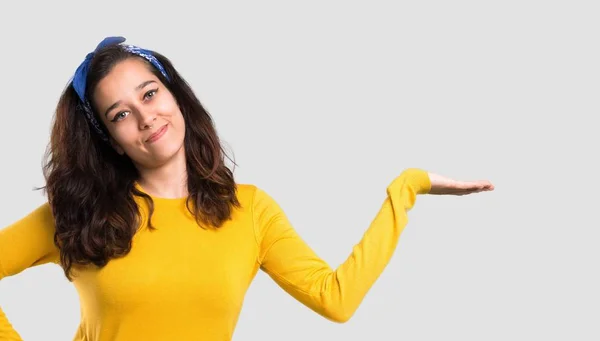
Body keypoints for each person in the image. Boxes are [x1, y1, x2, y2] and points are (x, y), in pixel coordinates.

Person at [0, 36, 494, 341]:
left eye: (150, 93)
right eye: (121, 114)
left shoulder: (250, 211)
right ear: (111, 140)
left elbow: (335, 299)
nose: (146, 116)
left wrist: (406, 188)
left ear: (176, 95)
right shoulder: (80, 214)